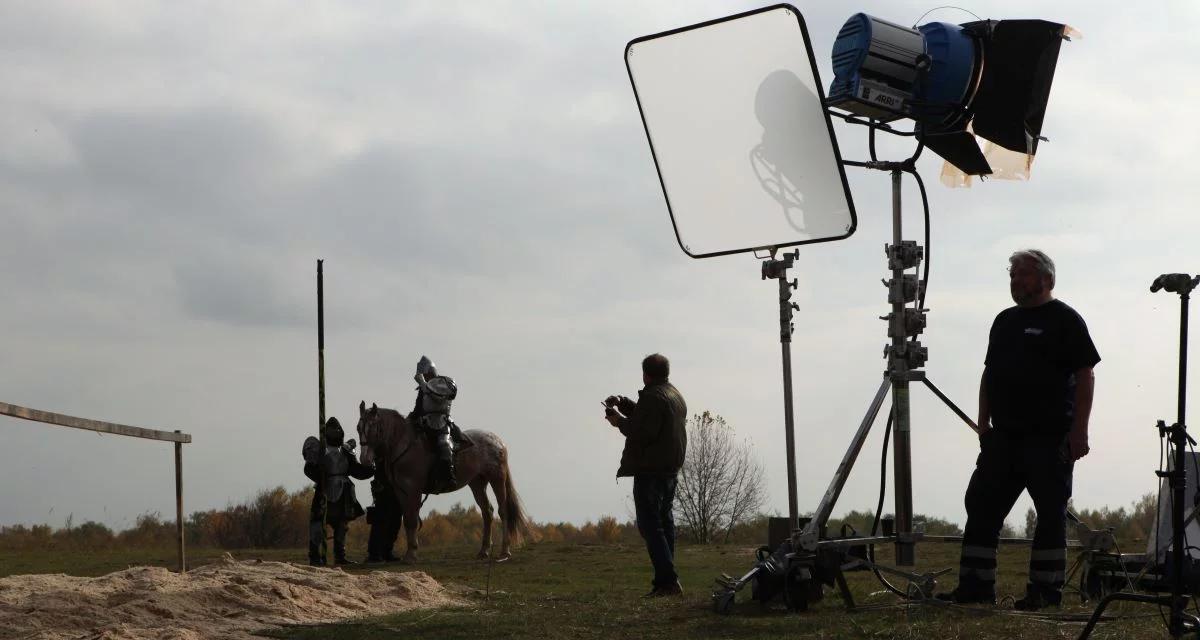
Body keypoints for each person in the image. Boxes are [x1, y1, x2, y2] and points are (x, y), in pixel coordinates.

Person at [938, 250, 1100, 610]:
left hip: (1049, 438)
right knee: (981, 506)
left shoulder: (1066, 320)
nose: (1015, 282)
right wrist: (983, 425)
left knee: (1049, 513)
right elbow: (989, 373)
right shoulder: (1004, 321)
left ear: (1046, 280)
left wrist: (1079, 432)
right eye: (1012, 276)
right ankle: (974, 588)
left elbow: (1085, 375)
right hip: (1003, 439)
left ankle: (1045, 593)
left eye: (1022, 275)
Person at [603, 353, 688, 597]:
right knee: (664, 523)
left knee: (651, 526)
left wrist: (617, 420)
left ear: (645, 374)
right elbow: (648, 417)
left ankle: (667, 581)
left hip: (651, 470)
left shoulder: (653, 397)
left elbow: (642, 431)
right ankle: (667, 579)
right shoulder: (674, 395)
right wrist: (624, 402)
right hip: (669, 470)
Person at [303, 417, 374, 566]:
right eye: (332, 431)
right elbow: (309, 469)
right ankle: (316, 557)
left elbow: (356, 470)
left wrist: (371, 469)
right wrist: (318, 471)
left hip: (344, 494)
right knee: (317, 525)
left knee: (342, 526)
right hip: (323, 491)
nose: (335, 433)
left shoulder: (346, 451)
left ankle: (340, 557)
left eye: (337, 430)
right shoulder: (319, 449)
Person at [410, 355, 471, 490]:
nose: (423, 376)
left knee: (443, 445)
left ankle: (449, 477)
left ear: (430, 371)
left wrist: (423, 384)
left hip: (442, 423)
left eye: (424, 373)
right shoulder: (423, 388)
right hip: (424, 424)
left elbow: (438, 399)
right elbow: (418, 409)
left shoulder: (444, 384)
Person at [365, 457, 403, 563]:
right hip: (383, 487)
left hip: (396, 487)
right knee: (380, 521)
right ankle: (374, 554)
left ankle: (387, 551)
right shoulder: (381, 449)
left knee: (395, 521)